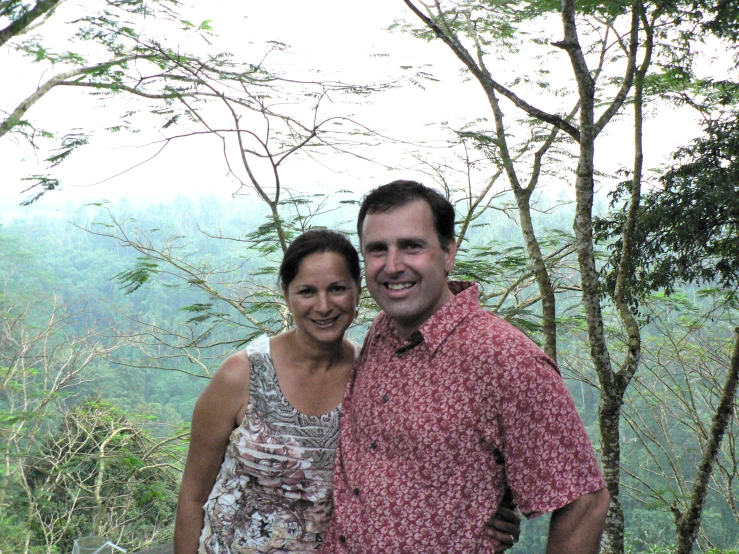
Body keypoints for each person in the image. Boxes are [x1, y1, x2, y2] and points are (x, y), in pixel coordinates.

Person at [173, 229, 520, 554]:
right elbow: (192, 495)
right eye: (307, 291)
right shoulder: (243, 374)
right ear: (287, 294)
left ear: (358, 291)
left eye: (337, 289)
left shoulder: (375, 369)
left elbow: (420, 465)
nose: (323, 306)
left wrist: (484, 510)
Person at [322, 181, 611, 553]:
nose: (392, 266)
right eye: (378, 250)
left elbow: (585, 502)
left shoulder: (506, 359)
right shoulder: (380, 333)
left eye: (411, 246)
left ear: (448, 253)